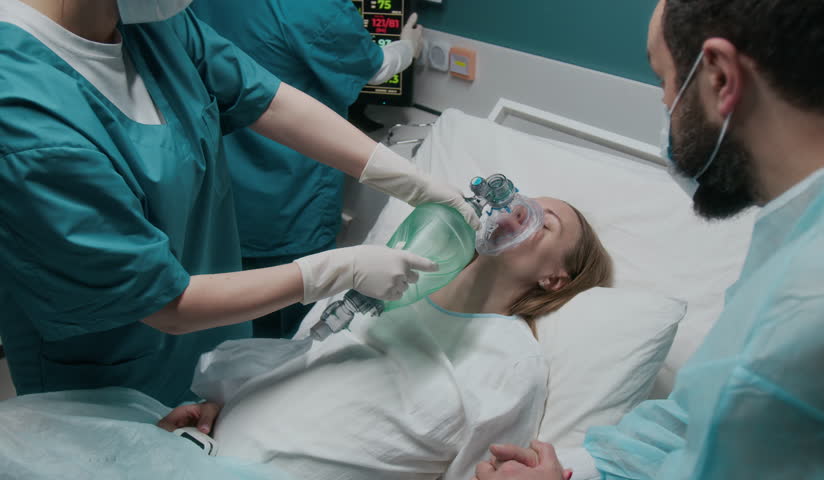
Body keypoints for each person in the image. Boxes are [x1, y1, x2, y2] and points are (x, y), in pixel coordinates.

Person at [0, 0, 477, 408]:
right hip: (110, 367)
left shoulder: (144, 22)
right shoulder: (24, 112)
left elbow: (266, 99)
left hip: (208, 335)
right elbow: (164, 303)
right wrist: (335, 272)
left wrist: (410, 181)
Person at [475, 0, 824, 479]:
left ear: (719, 77)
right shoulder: (797, 233)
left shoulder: (818, 307)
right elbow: (690, 421)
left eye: (663, 79)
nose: (665, 103)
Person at [154, 197, 613, 480]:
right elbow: (304, 361)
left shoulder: (511, 361)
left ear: (555, 278)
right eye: (518, 201)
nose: (517, 211)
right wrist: (223, 408)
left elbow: (487, 472)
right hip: (195, 453)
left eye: (543, 221)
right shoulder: (385, 281)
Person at [189, 0, 424, 339]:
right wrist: (406, 48)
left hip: (218, 194)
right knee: (283, 340)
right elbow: (371, 67)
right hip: (285, 204)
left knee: (227, 326)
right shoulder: (311, 7)